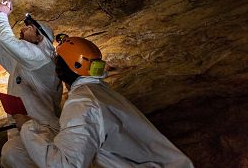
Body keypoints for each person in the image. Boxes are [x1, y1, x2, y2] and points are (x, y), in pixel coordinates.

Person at [13, 36, 194, 167]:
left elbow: (64, 165)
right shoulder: (101, 93)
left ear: (59, 72)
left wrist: (28, 127)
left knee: (12, 153)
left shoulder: (83, 104)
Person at [0, 0, 62, 168]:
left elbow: (7, 40)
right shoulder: (25, 64)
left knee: (12, 152)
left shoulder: (42, 58)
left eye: (28, 28)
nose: (21, 29)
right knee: (11, 153)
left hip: (43, 132)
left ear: (40, 37)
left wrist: (2, 14)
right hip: (26, 131)